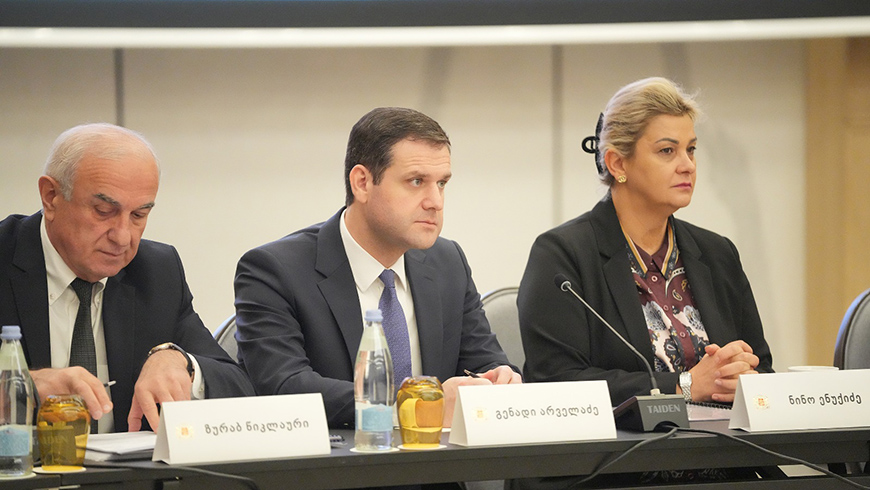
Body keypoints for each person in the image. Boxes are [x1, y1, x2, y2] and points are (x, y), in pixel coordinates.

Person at [514, 78, 774, 486]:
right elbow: (558, 385)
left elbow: (762, 367)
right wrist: (685, 385)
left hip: (724, 470)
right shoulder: (562, 255)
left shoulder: (717, 254)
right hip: (615, 474)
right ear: (618, 164)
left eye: (691, 149)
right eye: (667, 151)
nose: (687, 165)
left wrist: (745, 378)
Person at [234, 107, 521, 430]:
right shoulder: (274, 271)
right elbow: (285, 386)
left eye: (441, 183)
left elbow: (483, 360)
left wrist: (499, 378)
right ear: (362, 183)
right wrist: (417, 405)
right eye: (416, 181)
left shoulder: (447, 262)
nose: (436, 202)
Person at [0, 123, 254, 433]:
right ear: (50, 196)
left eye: (139, 215)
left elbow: (238, 386)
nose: (122, 237)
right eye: (103, 211)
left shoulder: (156, 272)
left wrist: (182, 362)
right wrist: (20, 388)